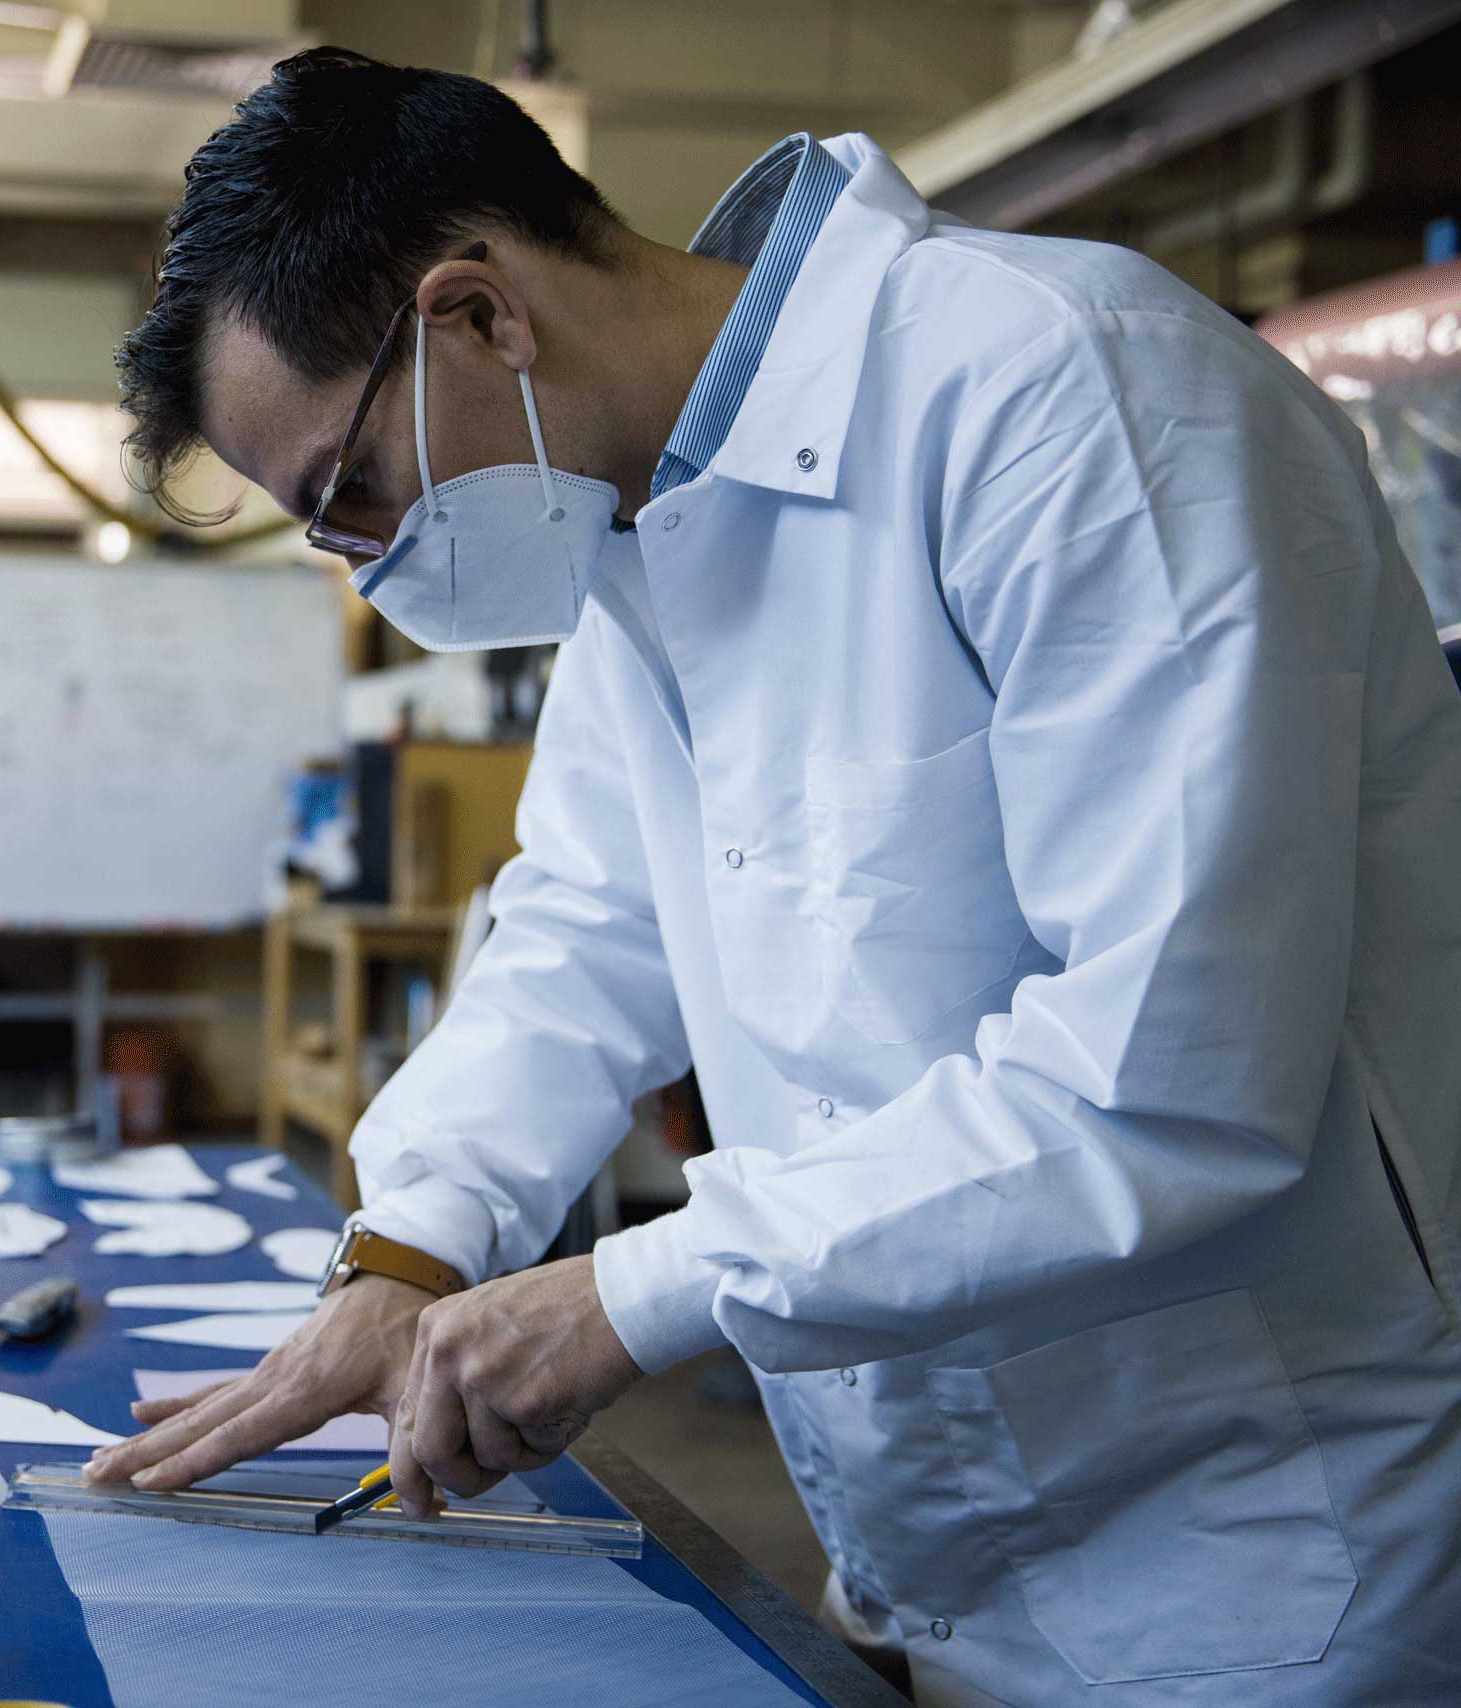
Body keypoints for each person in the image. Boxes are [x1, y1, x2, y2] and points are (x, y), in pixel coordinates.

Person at [85, 47, 1461, 1708]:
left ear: (476, 316)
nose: (369, 565)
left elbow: (1166, 1077)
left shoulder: (1065, 396)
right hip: (932, 1537)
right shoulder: (636, 534)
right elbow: (585, 935)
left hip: (1248, 1552)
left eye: (351, 493)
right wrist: (414, 1254)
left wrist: (630, 1290)